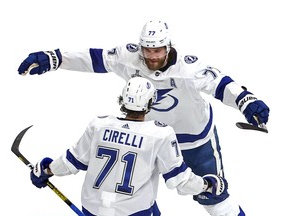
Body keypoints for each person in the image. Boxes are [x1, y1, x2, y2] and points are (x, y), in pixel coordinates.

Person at [19, 20, 270, 216]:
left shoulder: (189, 69)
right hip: (147, 140)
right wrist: (56, 58)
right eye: (147, 49)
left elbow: (221, 84)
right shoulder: (130, 57)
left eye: (158, 50)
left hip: (193, 141)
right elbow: (94, 58)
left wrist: (246, 101)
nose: (151, 56)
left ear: (168, 47)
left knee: (214, 198)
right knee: (134, 198)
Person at [30, 77, 227, 216]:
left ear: (122, 100)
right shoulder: (160, 133)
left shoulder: (99, 125)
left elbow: (70, 162)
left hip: (92, 209)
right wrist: (209, 185)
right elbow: (180, 181)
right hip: (134, 212)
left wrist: (46, 169)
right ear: (151, 102)